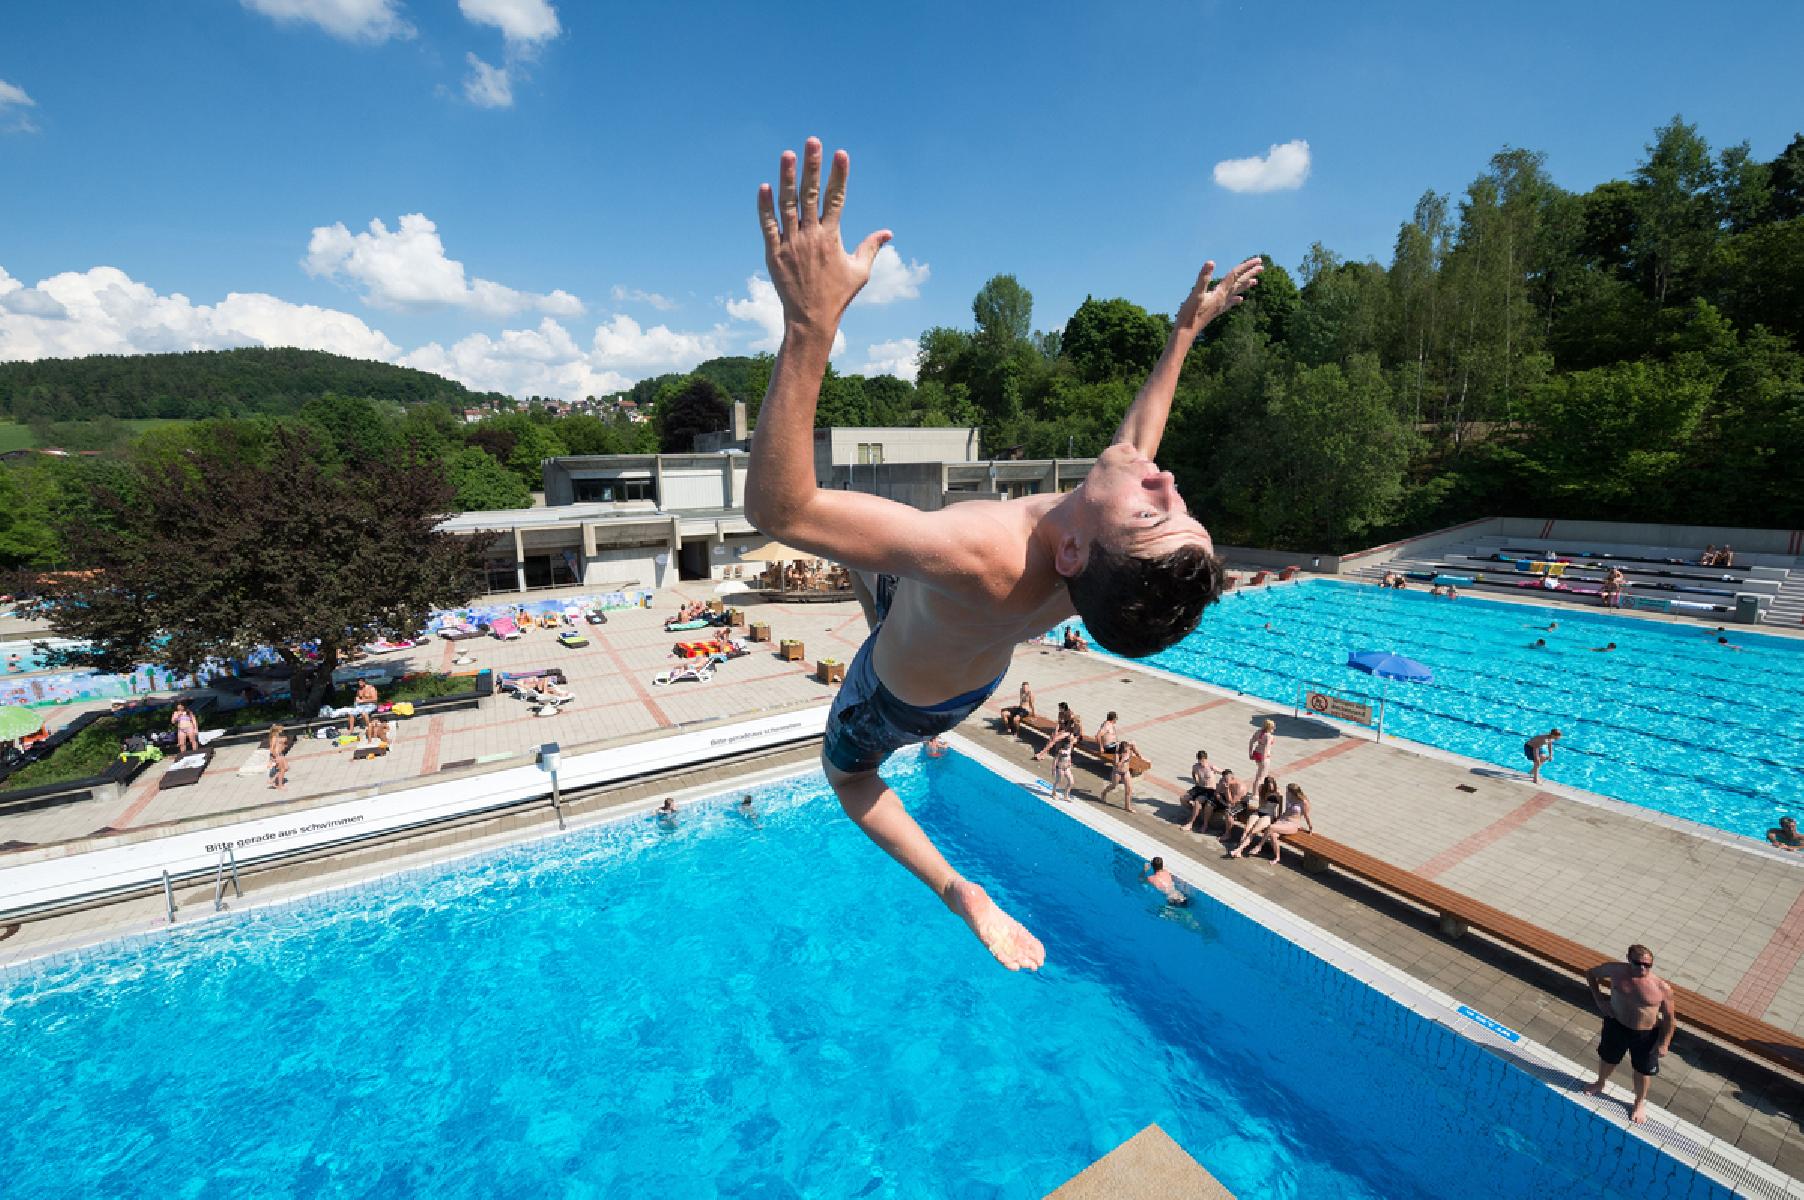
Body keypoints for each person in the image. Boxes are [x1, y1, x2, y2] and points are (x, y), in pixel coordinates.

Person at [744, 138, 1255, 970]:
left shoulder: (984, 550)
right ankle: (881, 602)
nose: (1165, 479)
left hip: (899, 700)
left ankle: (960, 891)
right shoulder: (1094, 558)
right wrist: (1183, 334)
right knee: (878, 565)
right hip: (960, 655)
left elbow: (779, 510)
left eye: (1153, 508)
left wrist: (810, 324)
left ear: (1075, 551)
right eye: (1179, 503)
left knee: (847, 777)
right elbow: (1138, 441)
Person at [1580, 945, 1676, 1124]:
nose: (1642, 968)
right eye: (1637, 963)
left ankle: (1639, 1102)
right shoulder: (1615, 971)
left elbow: (1670, 1019)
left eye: (1647, 965)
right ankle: (1600, 1082)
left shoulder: (1661, 988)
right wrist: (1599, 1000)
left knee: (1642, 1071)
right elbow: (1590, 974)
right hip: (1616, 1025)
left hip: (1645, 1035)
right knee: (1608, 1059)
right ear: (1628, 959)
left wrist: (1665, 1043)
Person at [1239, 783, 1313, 864]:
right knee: (1273, 835)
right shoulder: (1289, 797)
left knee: (1271, 827)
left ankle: (1259, 846)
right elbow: (1284, 809)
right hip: (1282, 820)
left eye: (1288, 791)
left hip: (1292, 824)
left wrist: (1310, 828)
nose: (1286, 792)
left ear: (1293, 792)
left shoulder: (1303, 802)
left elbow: (1306, 816)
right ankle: (1277, 857)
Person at [1227, 776, 1283, 857]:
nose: (1271, 788)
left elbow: (1280, 808)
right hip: (1259, 811)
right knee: (1246, 829)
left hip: (1268, 815)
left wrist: (1278, 819)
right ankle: (1239, 851)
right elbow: (1261, 804)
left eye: (1272, 786)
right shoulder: (1261, 788)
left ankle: (1238, 850)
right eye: (1268, 786)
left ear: (1274, 784)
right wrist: (1266, 795)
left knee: (1253, 831)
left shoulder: (1278, 792)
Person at [1034, 723, 1078, 804]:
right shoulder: (1061, 750)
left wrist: (1070, 763)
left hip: (1067, 767)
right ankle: (1053, 793)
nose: (1072, 739)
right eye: (1071, 739)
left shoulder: (1070, 747)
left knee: (1071, 782)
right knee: (1058, 781)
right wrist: (1053, 769)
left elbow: (1070, 755)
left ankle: (1066, 795)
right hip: (1060, 767)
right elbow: (1055, 759)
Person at [1198, 769, 1244, 839]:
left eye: (1226, 779)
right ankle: (1205, 825)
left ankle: (1227, 834)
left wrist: (1227, 789)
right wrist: (1223, 802)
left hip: (1239, 802)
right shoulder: (1222, 781)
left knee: (1228, 813)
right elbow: (1217, 793)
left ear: (1232, 778)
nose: (1224, 781)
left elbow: (1231, 802)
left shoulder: (1239, 787)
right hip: (1226, 799)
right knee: (1209, 804)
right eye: (1223, 779)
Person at [1099, 737, 1140, 814]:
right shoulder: (1117, 754)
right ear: (1122, 750)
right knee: (1113, 786)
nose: (1127, 750)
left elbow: (1133, 744)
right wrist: (1123, 759)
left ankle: (1127, 807)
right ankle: (1104, 793)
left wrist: (1139, 755)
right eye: (1125, 750)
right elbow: (1117, 764)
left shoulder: (1129, 750)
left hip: (1126, 772)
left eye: (1128, 749)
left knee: (1129, 788)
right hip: (1117, 772)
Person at [1181, 750, 1218, 832]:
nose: (1202, 763)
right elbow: (1193, 773)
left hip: (1209, 790)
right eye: (1200, 761)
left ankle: (1192, 823)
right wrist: (1196, 780)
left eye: (1203, 760)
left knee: (1197, 802)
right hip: (1199, 787)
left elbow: (1225, 773)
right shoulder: (1195, 766)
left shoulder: (1212, 767)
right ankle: (1195, 813)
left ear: (1206, 759)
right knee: (1183, 798)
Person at [1248, 719, 1275, 796]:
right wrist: (1264, 759)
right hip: (1264, 757)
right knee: (1260, 777)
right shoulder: (1269, 736)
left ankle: (1256, 792)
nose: (1274, 728)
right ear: (1270, 727)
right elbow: (1266, 748)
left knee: (1261, 774)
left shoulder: (1259, 732)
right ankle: (1255, 794)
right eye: (1273, 727)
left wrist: (1250, 753)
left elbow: (1251, 741)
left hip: (1257, 754)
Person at [267, 723, 290, 790]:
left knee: (286, 768)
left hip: (280, 755)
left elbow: (281, 741)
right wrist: (273, 757)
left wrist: (282, 742)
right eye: (281, 729)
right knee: (282, 769)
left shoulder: (276, 737)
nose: (282, 730)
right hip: (277, 755)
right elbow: (271, 748)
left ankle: (273, 780)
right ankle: (280, 785)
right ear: (277, 730)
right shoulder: (274, 737)